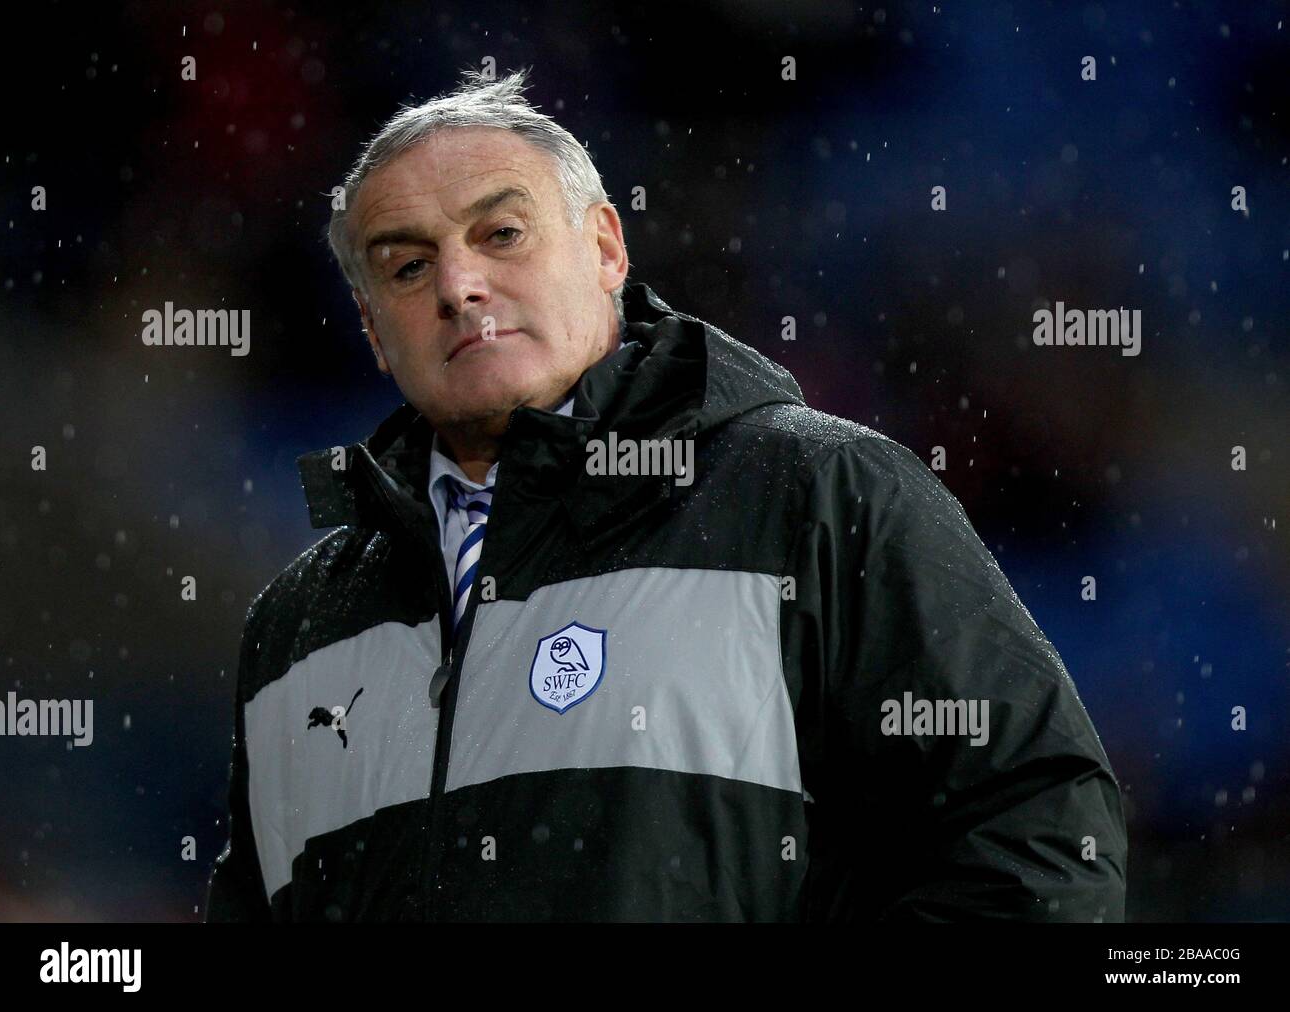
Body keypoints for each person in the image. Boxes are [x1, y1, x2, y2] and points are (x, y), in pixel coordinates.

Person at [204, 68, 1127, 922]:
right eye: (407, 267)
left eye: (502, 234)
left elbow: (1036, 844)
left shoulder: (818, 498)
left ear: (606, 246)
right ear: (370, 329)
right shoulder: (296, 627)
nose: (459, 285)